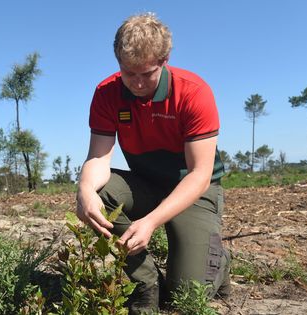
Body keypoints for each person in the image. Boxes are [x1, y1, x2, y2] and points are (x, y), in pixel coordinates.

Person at [76, 13, 230, 314]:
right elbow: (98, 157)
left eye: (146, 73)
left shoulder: (193, 93)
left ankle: (218, 261)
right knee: (100, 192)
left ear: (164, 59)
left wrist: (150, 221)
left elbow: (200, 174)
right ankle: (146, 281)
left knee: (187, 293)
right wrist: (84, 189)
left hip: (194, 191)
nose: (135, 83)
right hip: (147, 183)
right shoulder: (107, 93)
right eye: (127, 72)